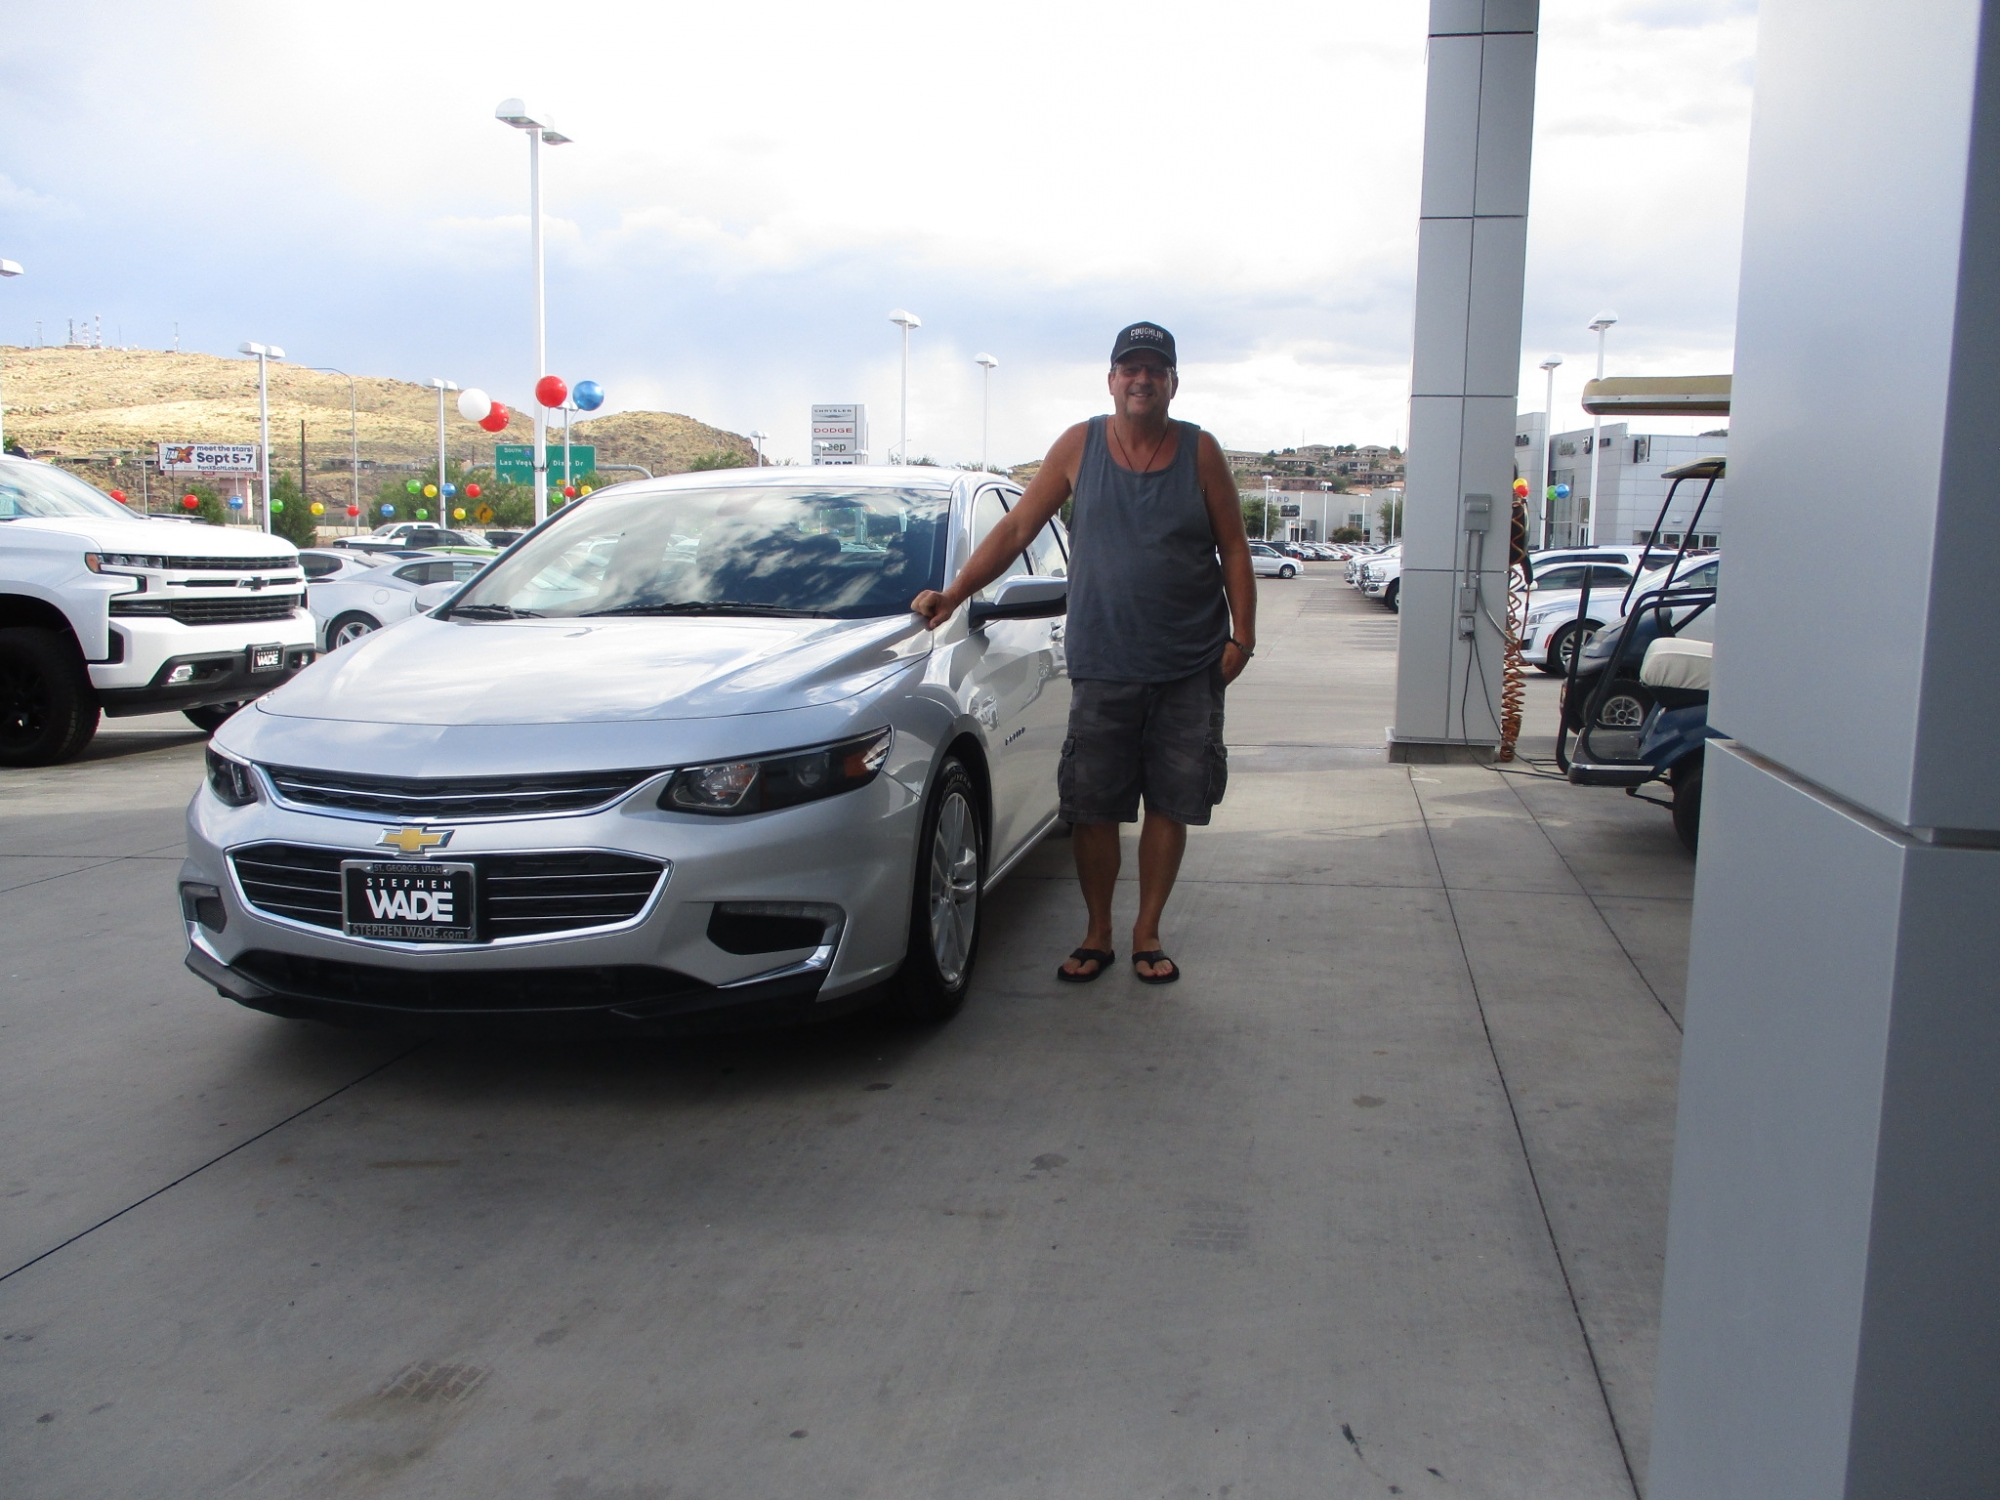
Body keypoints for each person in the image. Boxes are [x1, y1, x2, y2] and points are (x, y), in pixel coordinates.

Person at [911, 321, 1256, 985]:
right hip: (1102, 663)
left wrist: (1243, 635)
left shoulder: (1201, 452)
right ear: (1111, 380)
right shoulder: (1079, 445)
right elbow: (1017, 527)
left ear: (1173, 383)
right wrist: (955, 592)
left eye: (1155, 369)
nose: (1142, 379)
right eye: (1131, 368)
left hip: (1189, 665)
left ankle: (1147, 931)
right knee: (1093, 807)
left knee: (1171, 804)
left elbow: (1235, 547)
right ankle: (1098, 932)